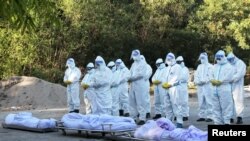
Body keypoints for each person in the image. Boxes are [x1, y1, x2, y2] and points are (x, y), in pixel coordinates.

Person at [211, 50, 234, 125]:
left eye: (219, 58)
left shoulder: (229, 66)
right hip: (214, 89)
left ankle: (227, 122)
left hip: (224, 88)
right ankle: (217, 123)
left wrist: (221, 81)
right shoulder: (215, 66)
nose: (218, 60)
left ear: (223, 57)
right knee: (215, 107)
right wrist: (212, 80)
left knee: (226, 106)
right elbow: (210, 75)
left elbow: (229, 76)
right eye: (217, 58)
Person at [162, 53, 183, 128]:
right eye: (167, 60)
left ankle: (179, 122)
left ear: (173, 59)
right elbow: (164, 78)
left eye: (170, 59)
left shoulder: (177, 67)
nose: (169, 61)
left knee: (176, 104)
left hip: (174, 88)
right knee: (167, 106)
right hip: (167, 89)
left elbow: (177, 78)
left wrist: (170, 84)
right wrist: (164, 84)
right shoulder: (167, 68)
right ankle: (168, 122)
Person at [194, 53, 214, 122]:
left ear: (206, 58)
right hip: (200, 87)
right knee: (201, 101)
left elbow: (211, 76)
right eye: (201, 58)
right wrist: (197, 81)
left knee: (209, 101)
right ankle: (202, 116)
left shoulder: (210, 66)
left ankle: (210, 116)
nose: (202, 60)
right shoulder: (199, 66)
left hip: (208, 86)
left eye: (203, 58)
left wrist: (205, 81)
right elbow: (196, 75)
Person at [227, 52, 246, 124]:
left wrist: (231, 78)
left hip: (237, 85)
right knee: (229, 102)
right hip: (229, 85)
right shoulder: (228, 63)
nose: (230, 61)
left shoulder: (240, 63)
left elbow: (240, 74)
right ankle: (230, 117)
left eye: (231, 59)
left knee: (238, 101)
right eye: (229, 60)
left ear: (234, 57)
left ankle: (239, 117)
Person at [129, 50, 148, 125]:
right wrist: (127, 77)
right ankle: (133, 117)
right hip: (132, 85)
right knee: (132, 102)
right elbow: (130, 72)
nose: (134, 57)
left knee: (140, 101)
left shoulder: (143, 63)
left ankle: (142, 118)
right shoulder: (133, 64)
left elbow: (140, 74)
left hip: (140, 85)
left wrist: (131, 78)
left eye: (135, 55)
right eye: (133, 55)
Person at [176, 56, 190, 121]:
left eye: (179, 62)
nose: (178, 63)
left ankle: (185, 115)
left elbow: (185, 78)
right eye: (177, 62)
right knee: (177, 101)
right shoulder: (175, 69)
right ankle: (178, 114)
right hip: (176, 86)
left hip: (183, 86)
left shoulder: (185, 69)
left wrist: (178, 79)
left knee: (184, 101)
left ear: (182, 62)